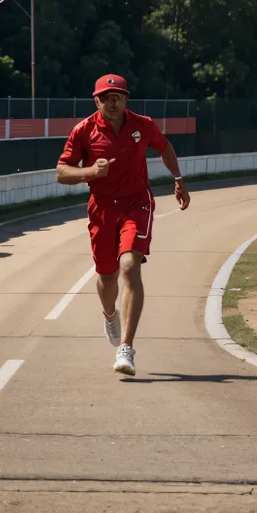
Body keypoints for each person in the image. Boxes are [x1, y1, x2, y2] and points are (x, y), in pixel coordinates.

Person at [56, 74, 191, 376]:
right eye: (107, 97)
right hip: (102, 209)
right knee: (107, 277)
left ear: (126, 98)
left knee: (130, 265)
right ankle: (109, 315)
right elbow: (62, 172)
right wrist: (91, 171)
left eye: (118, 96)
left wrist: (178, 179)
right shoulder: (84, 130)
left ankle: (126, 347)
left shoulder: (142, 125)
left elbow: (164, 147)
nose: (113, 102)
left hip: (136, 203)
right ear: (97, 101)